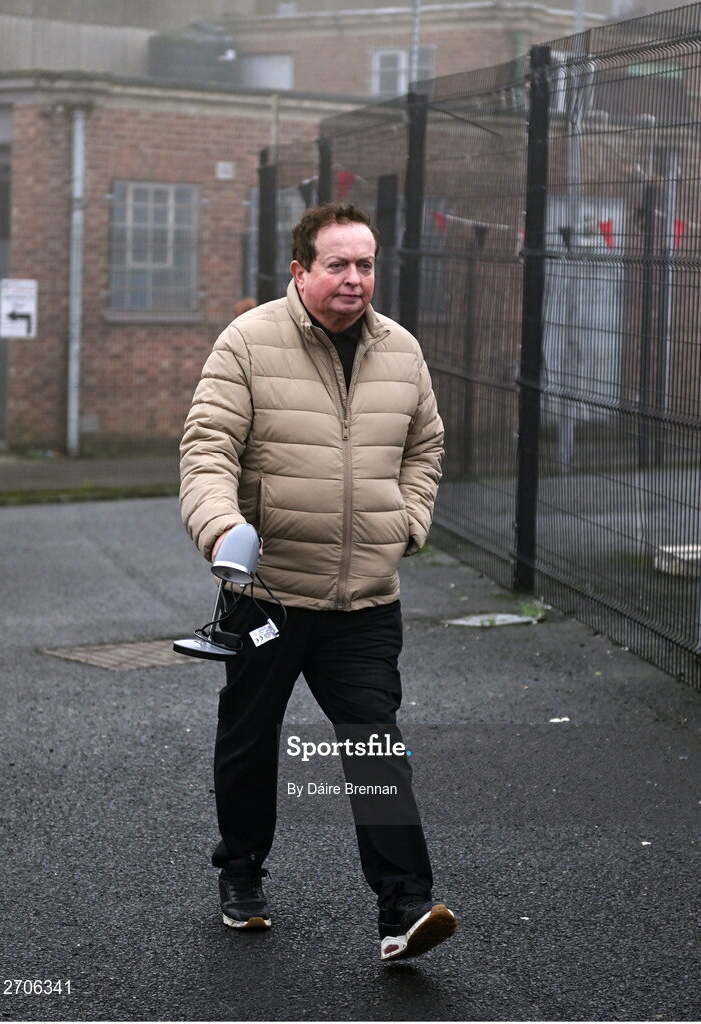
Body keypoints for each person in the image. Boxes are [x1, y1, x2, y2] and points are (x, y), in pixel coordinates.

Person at [179, 202, 456, 962]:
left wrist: (408, 520)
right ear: (300, 271)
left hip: (365, 598)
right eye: (337, 264)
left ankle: (403, 909)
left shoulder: (401, 350)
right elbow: (207, 451)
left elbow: (425, 446)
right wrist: (220, 529)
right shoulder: (247, 342)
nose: (354, 279)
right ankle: (241, 873)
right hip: (268, 593)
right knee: (249, 737)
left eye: (365, 264)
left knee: (375, 747)